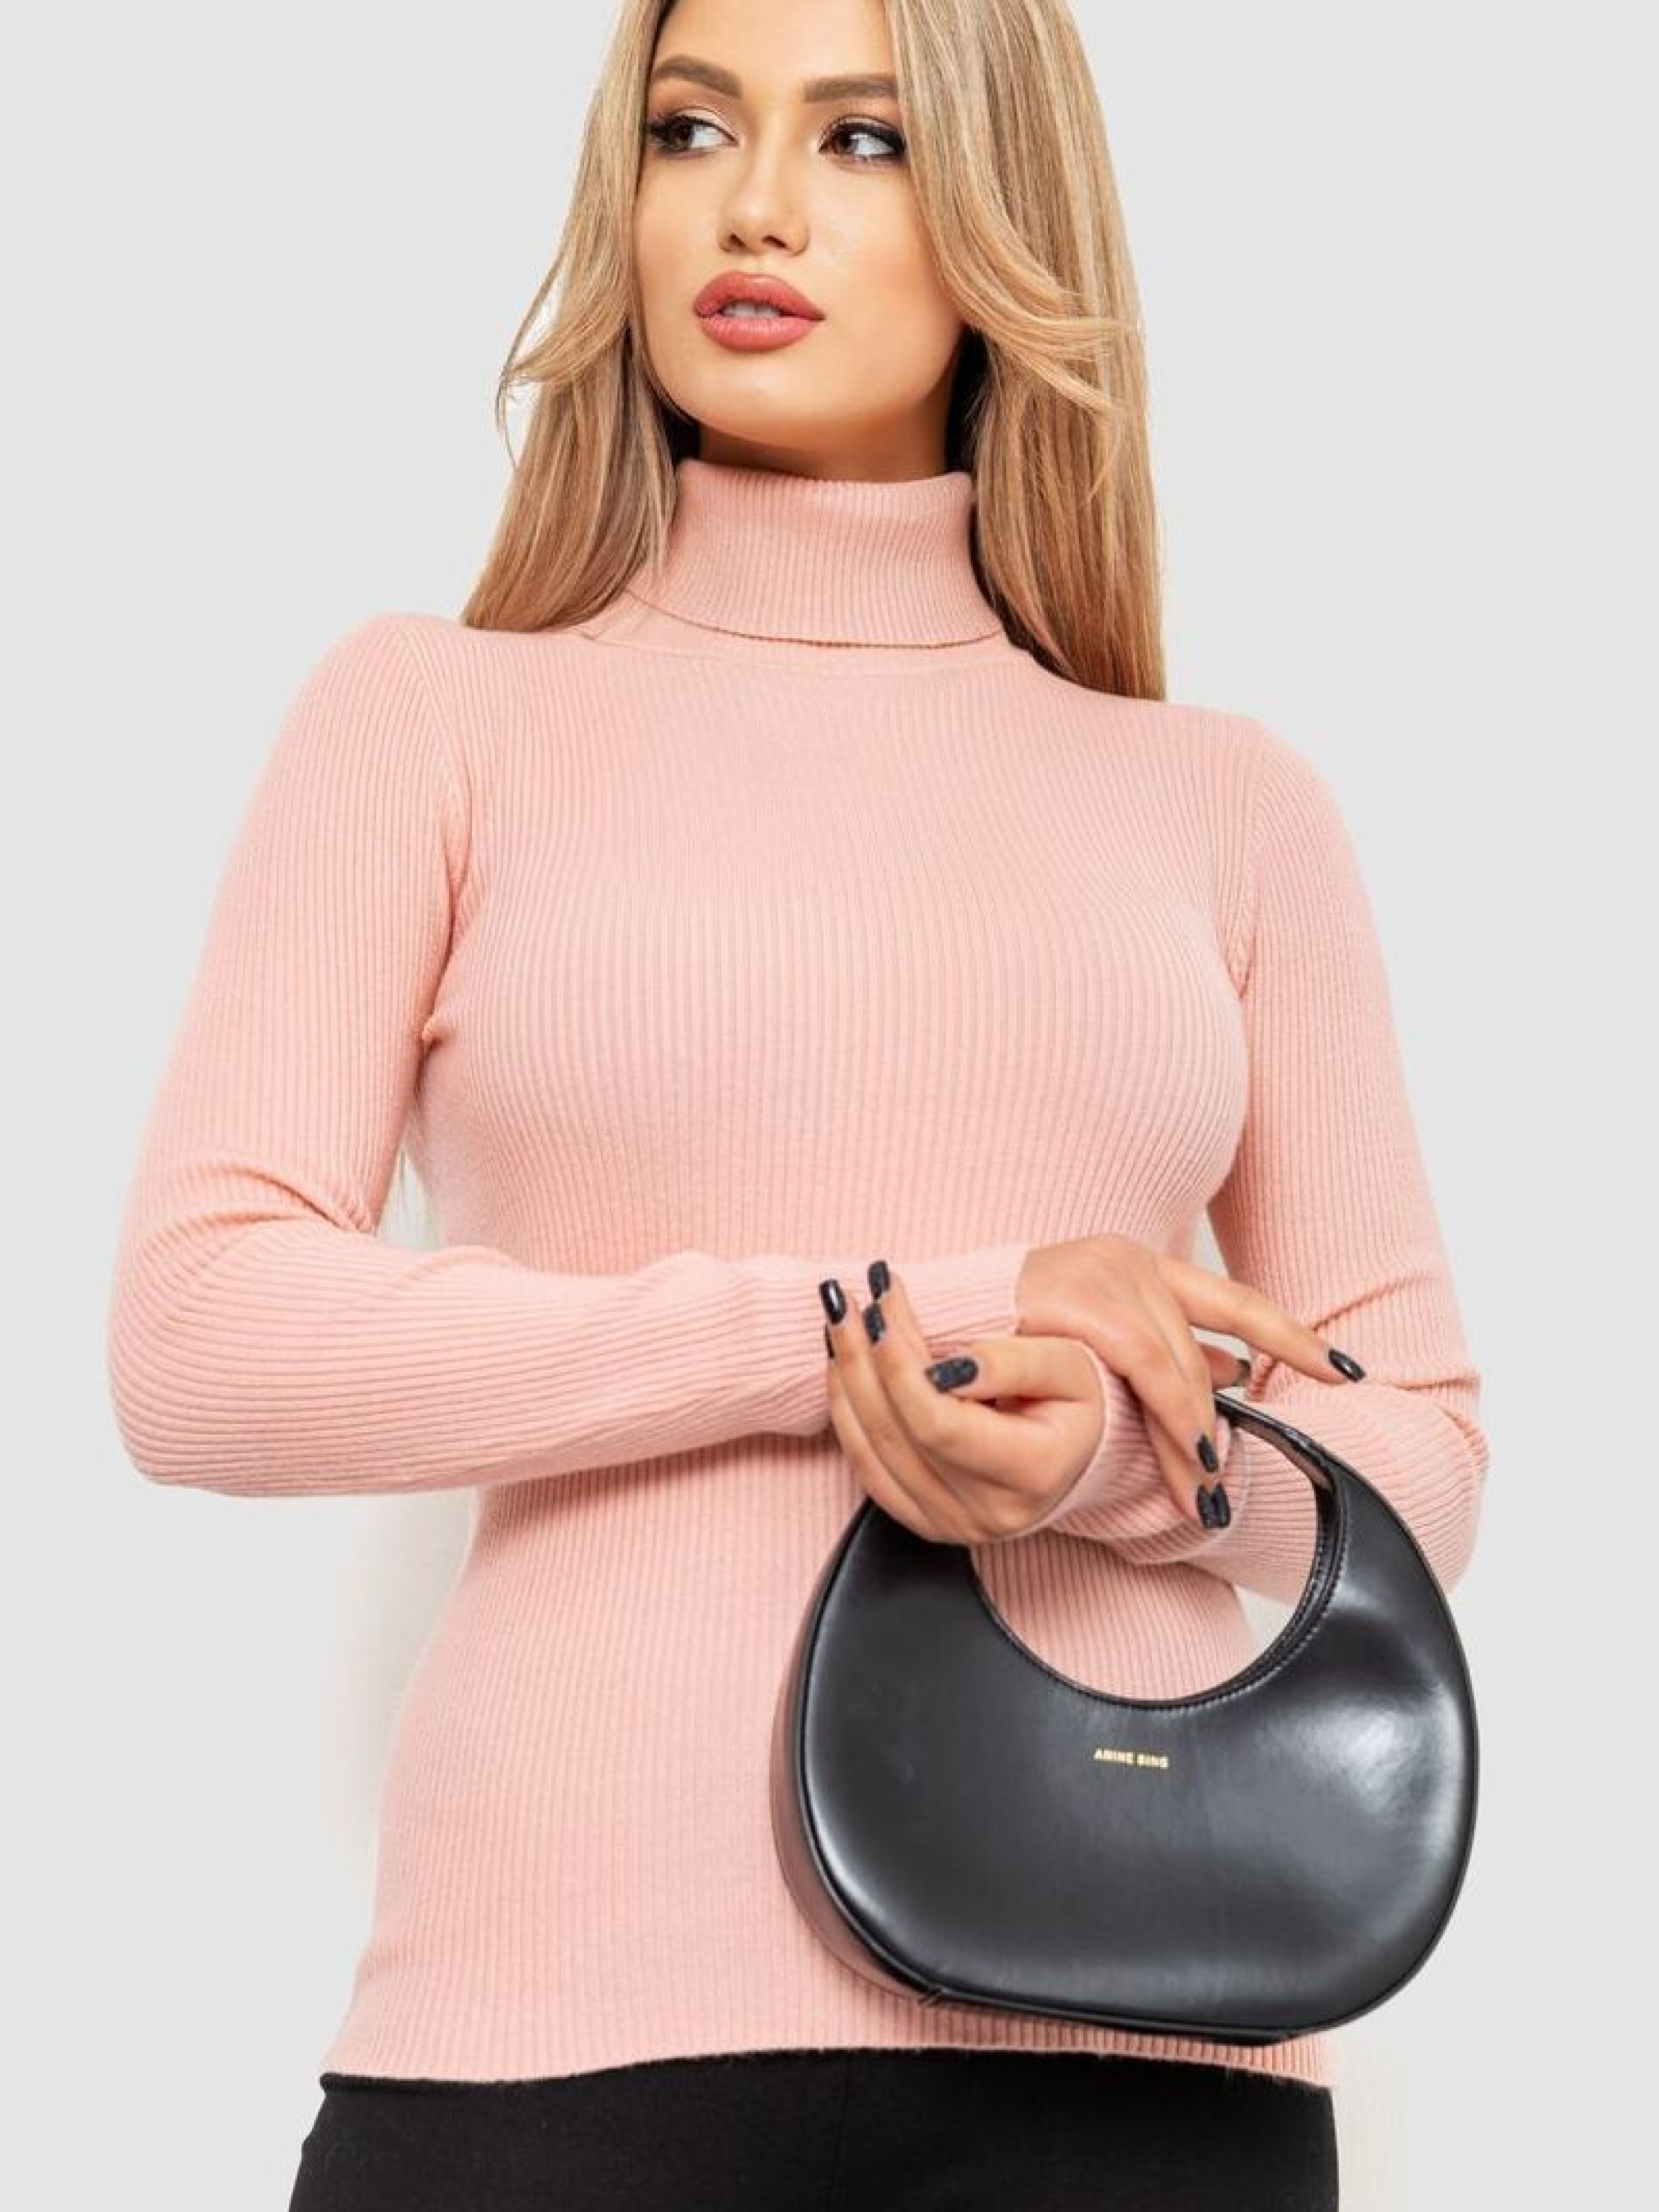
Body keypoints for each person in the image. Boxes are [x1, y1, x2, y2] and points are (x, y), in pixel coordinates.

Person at [107, 0, 1489, 2204]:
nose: (751, 206)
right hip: (549, 2036)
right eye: (688, 129)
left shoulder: (1228, 808)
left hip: (1140, 2046)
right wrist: (887, 1320)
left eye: (861, 139)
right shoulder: (431, 722)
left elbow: (1422, 1460)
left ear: (1003, 215)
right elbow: (202, 1341)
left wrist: (1113, 1450)